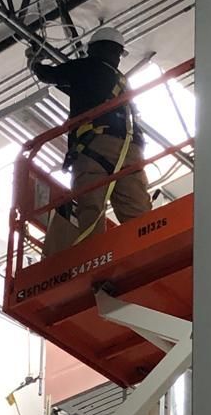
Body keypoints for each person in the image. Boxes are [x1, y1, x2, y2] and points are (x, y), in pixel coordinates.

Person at [27, 26, 151, 254]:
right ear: (117, 53)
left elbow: (50, 75)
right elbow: (79, 90)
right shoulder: (121, 81)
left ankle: (93, 258)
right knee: (137, 212)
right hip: (130, 149)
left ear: (92, 49)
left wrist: (34, 62)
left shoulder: (85, 67)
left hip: (95, 146)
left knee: (91, 208)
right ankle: (148, 252)